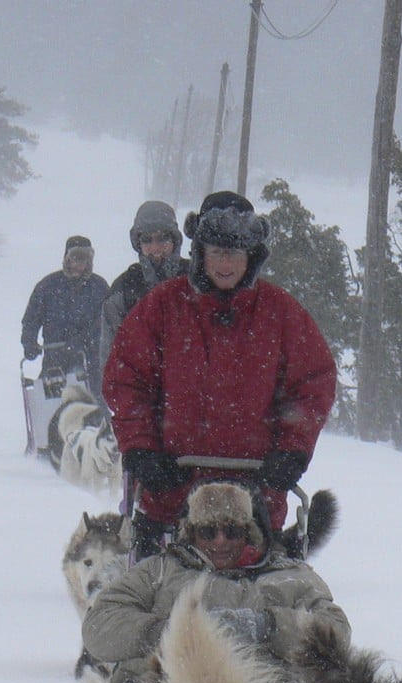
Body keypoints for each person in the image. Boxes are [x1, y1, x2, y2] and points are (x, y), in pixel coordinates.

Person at [82, 478, 350, 683]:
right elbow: (99, 625)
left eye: (231, 531)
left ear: (249, 531)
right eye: (208, 532)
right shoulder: (161, 572)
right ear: (191, 533)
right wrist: (170, 630)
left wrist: (266, 625)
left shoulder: (290, 577)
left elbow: (336, 631)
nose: (220, 541)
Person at [102, 190, 338, 560]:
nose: (225, 263)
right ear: (200, 254)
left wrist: (292, 451)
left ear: (251, 256)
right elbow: (126, 380)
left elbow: (312, 385)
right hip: (170, 495)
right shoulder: (162, 307)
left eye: (235, 253)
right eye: (216, 252)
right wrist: (141, 448)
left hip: (254, 505)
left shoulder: (281, 313)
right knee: (146, 610)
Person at [95, 201, 189, 382]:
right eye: (147, 240)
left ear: (175, 240)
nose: (155, 248)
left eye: (163, 238)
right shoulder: (123, 291)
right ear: (138, 243)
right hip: (143, 400)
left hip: (197, 399)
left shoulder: (197, 280)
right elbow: (111, 365)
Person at [21, 235, 110, 395]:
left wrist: (84, 341)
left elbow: (106, 323)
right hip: (54, 362)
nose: (79, 264)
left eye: (84, 259)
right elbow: (31, 319)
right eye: (75, 258)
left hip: (89, 363)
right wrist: (29, 342)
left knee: (92, 411)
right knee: (51, 411)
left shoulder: (99, 288)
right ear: (67, 259)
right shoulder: (48, 286)